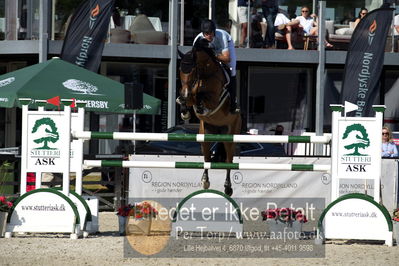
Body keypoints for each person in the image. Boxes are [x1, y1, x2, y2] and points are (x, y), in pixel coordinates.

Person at [194, 19, 239, 113]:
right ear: (203, 33)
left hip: (223, 49)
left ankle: (233, 102)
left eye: (210, 33)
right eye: (206, 33)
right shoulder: (198, 40)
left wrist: (213, 55)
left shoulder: (222, 36)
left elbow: (227, 59)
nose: (209, 35)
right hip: (210, 56)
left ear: (214, 31)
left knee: (232, 69)